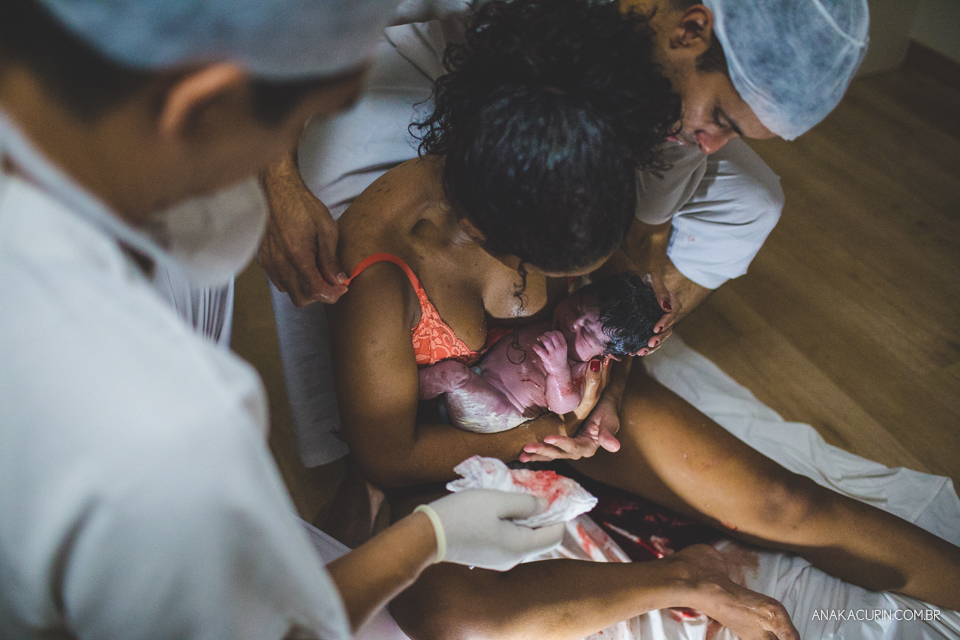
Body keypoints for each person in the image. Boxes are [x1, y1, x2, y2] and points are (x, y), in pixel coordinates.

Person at [321, 1, 960, 638]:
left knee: (782, 503)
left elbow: (623, 285)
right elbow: (388, 455)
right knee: (453, 615)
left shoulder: (581, 165)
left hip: (573, 419)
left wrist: (612, 383)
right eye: (546, 267)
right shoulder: (387, 267)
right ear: (482, 229)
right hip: (455, 447)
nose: (553, 288)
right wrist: (536, 435)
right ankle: (684, 577)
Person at [0, 1, 571, 638]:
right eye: (306, 119)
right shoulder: (169, 434)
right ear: (200, 106)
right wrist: (428, 539)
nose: (282, 167)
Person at [255, 0, 867, 469]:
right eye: (721, 118)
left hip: (575, 94)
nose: (713, 141)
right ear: (690, 31)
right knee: (343, 219)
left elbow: (651, 222)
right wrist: (277, 184)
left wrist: (615, 364)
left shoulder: (673, 94)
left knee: (754, 200)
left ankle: (562, 335)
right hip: (401, 58)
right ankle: (385, 401)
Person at [418, 273, 660, 433]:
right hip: (477, 382)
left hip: (500, 408)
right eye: (575, 306)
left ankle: (404, 396)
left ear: (609, 354)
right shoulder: (552, 321)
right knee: (453, 375)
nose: (571, 323)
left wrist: (559, 371)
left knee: (451, 374)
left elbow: (564, 406)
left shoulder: (579, 367)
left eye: (586, 333)